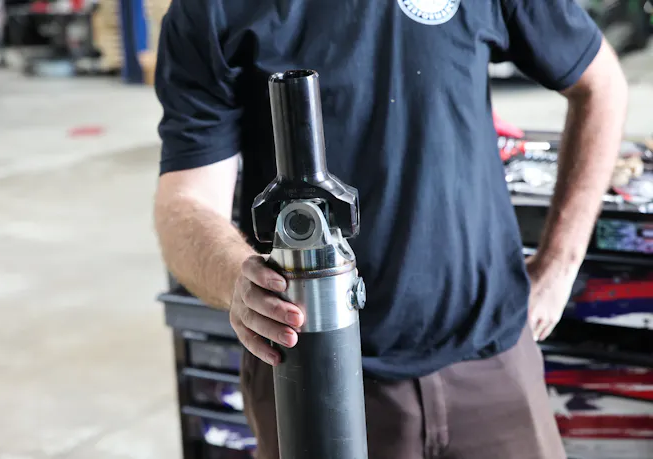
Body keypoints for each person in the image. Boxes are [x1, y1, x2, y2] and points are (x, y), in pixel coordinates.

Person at [152, 1, 628, 457]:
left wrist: (560, 264)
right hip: (311, 376)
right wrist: (238, 279)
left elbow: (600, 84)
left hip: (490, 366)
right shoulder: (212, 8)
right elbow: (186, 201)